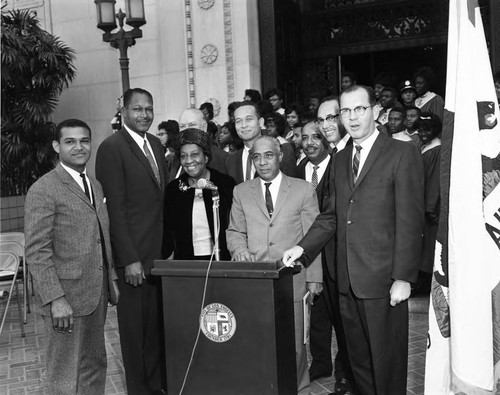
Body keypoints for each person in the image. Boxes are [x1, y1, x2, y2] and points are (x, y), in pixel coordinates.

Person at [283, 85, 425, 395]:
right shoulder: (341, 157)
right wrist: (302, 248)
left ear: (377, 111)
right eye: (346, 111)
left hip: (383, 281)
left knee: (386, 365)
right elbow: (332, 216)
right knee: (358, 363)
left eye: (359, 109)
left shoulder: (403, 153)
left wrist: (403, 277)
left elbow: (411, 220)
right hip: (346, 282)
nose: (352, 117)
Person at [25, 119, 119, 394]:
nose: (79, 147)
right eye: (70, 141)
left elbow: (99, 236)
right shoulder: (44, 189)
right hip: (66, 299)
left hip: (95, 295)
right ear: (57, 146)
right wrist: (55, 299)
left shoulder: (95, 185)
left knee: (94, 365)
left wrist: (110, 281)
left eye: (84, 140)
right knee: (64, 374)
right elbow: (36, 250)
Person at [226, 135, 322, 395]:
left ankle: (299, 388)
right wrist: (239, 250)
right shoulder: (241, 191)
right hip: (254, 282)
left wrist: (315, 279)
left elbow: (313, 237)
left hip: (293, 280)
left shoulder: (303, 189)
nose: (262, 162)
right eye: (256, 157)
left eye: (268, 155)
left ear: (280, 156)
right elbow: (234, 231)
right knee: (257, 339)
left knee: (296, 343)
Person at [95, 88, 167, 395]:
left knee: (155, 330)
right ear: (123, 111)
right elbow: (115, 209)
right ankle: (138, 390)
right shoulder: (111, 148)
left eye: (149, 109)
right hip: (134, 261)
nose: (144, 115)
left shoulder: (155, 144)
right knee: (135, 334)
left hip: (160, 257)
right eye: (137, 109)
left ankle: (157, 386)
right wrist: (129, 259)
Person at [163, 128, 235, 261]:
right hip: (185, 262)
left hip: (222, 260)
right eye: (183, 156)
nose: (189, 161)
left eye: (195, 154)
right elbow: (168, 231)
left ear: (206, 157)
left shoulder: (225, 184)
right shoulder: (173, 189)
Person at [225, 101, 296, 184]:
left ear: (260, 122)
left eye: (249, 119)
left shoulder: (282, 150)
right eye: (238, 121)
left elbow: (291, 188)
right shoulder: (231, 160)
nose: (243, 125)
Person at [414, 113, 442, 295]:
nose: (423, 133)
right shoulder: (424, 147)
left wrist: (430, 207)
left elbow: (435, 181)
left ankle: (425, 285)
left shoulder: (437, 150)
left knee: (428, 248)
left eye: (428, 129)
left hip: (428, 208)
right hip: (419, 203)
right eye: (421, 129)